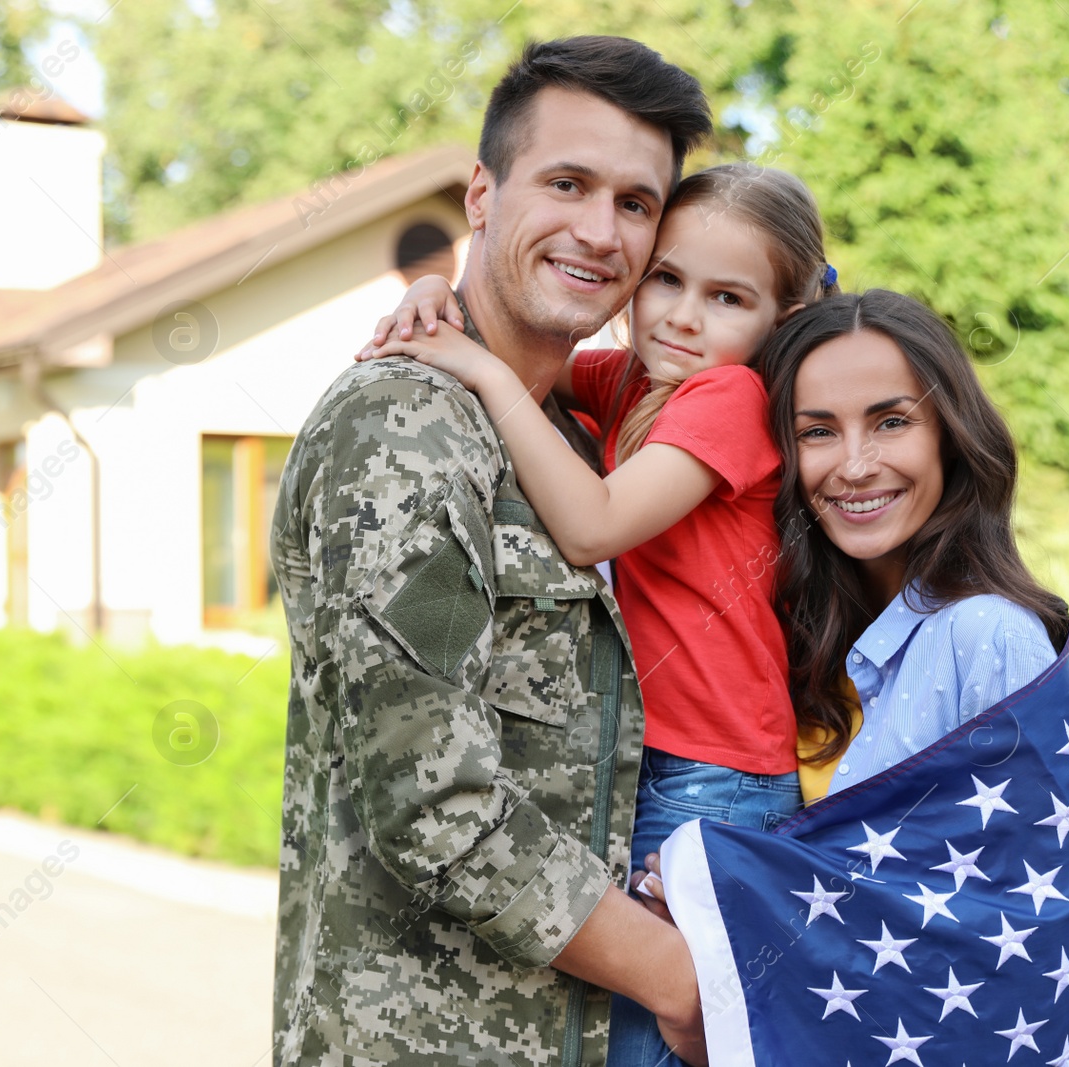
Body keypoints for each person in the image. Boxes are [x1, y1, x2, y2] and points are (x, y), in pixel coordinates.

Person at [270, 36, 715, 1067]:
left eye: (636, 203)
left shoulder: (571, 438)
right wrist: (675, 972)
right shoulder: (405, 429)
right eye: (566, 183)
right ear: (482, 191)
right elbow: (431, 792)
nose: (599, 232)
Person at [361, 163, 838, 1066]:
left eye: (727, 297)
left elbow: (595, 524)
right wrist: (434, 291)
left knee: (652, 1035)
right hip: (657, 763)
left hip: (715, 781)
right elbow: (512, 344)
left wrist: (473, 369)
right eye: (666, 278)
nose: (683, 317)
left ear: (782, 319)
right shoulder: (638, 381)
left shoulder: (730, 399)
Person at [644, 290, 1069, 1064]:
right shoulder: (807, 645)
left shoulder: (985, 636)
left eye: (891, 421)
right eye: (818, 431)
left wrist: (718, 935)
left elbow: (1006, 946)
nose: (854, 465)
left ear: (951, 433)